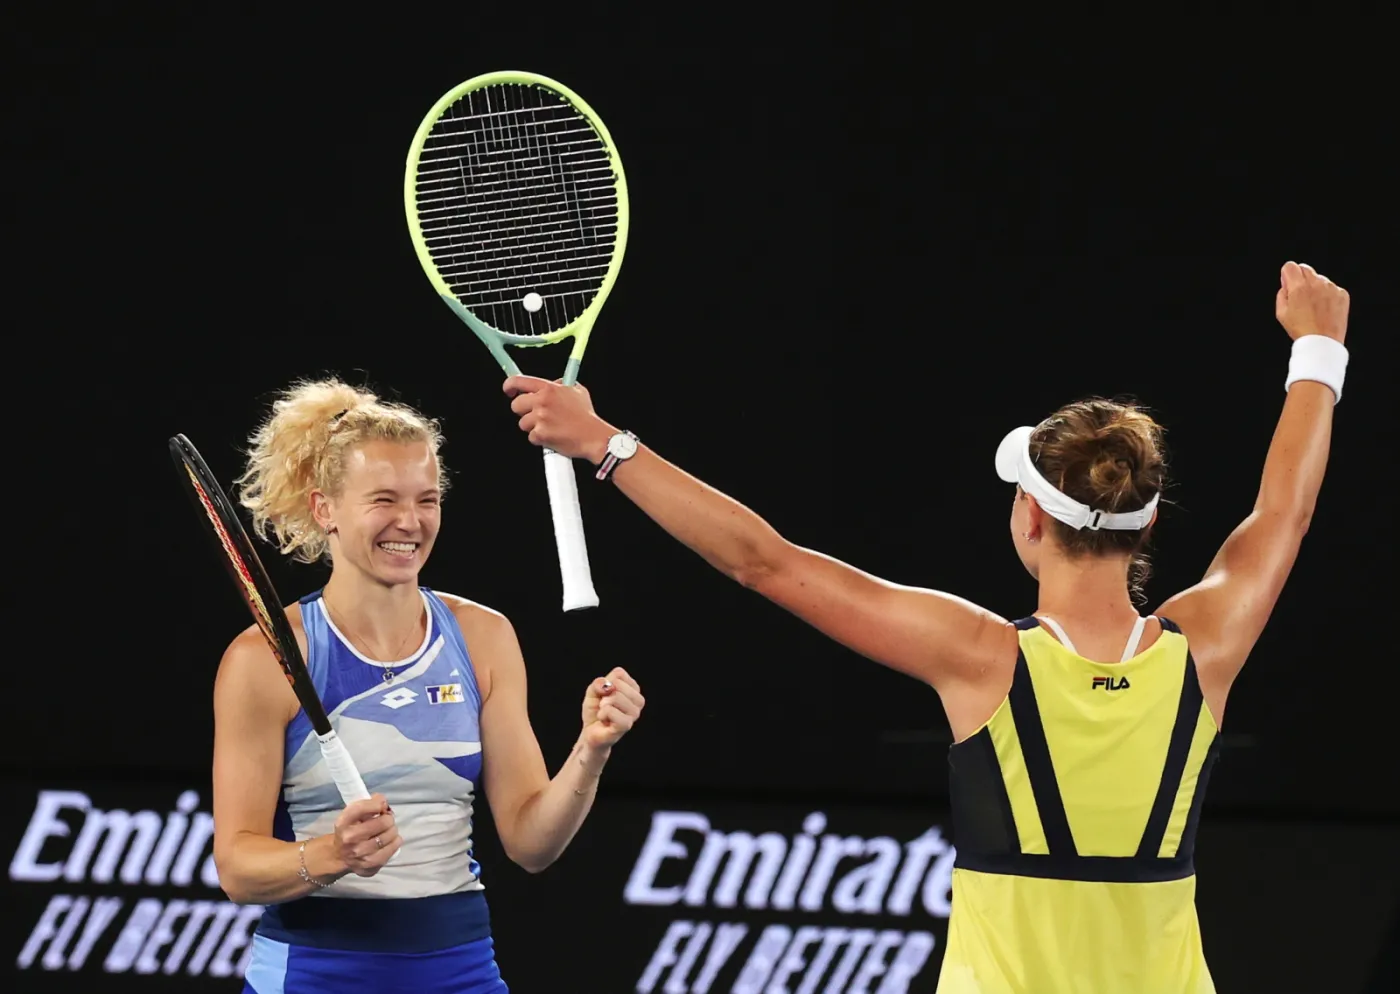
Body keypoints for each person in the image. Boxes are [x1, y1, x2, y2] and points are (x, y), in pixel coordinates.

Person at [503, 261, 1350, 993]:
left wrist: (602, 442)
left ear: (1028, 517)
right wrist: (1317, 349)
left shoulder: (981, 657)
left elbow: (762, 561)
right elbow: (1287, 511)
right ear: (1148, 525)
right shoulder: (1204, 649)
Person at [211, 378, 646, 993]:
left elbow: (530, 842)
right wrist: (335, 854)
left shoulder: (484, 638)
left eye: (427, 499)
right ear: (324, 509)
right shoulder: (265, 658)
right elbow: (237, 868)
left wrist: (591, 749)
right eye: (383, 500)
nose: (410, 523)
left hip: (461, 969)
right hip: (315, 974)